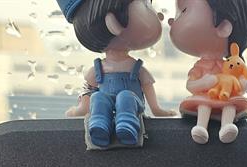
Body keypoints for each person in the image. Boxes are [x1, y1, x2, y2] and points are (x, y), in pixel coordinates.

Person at [59, 0, 176, 148]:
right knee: (98, 97)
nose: (158, 15)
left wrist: (156, 109)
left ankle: (127, 125)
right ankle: (99, 126)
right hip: (107, 104)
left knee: (125, 97)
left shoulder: (136, 67)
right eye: (146, 5)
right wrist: (82, 109)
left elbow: (147, 87)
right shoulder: (98, 68)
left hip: (132, 104)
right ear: (113, 21)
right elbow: (89, 90)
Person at [167, 0, 247, 144]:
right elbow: (190, 85)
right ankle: (201, 127)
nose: (170, 21)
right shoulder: (201, 67)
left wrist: (242, 83)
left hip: (226, 98)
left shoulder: (230, 65)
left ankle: (227, 126)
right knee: (204, 106)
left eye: (183, 11)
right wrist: (204, 83)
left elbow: (242, 84)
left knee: (230, 106)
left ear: (223, 27)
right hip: (205, 98)